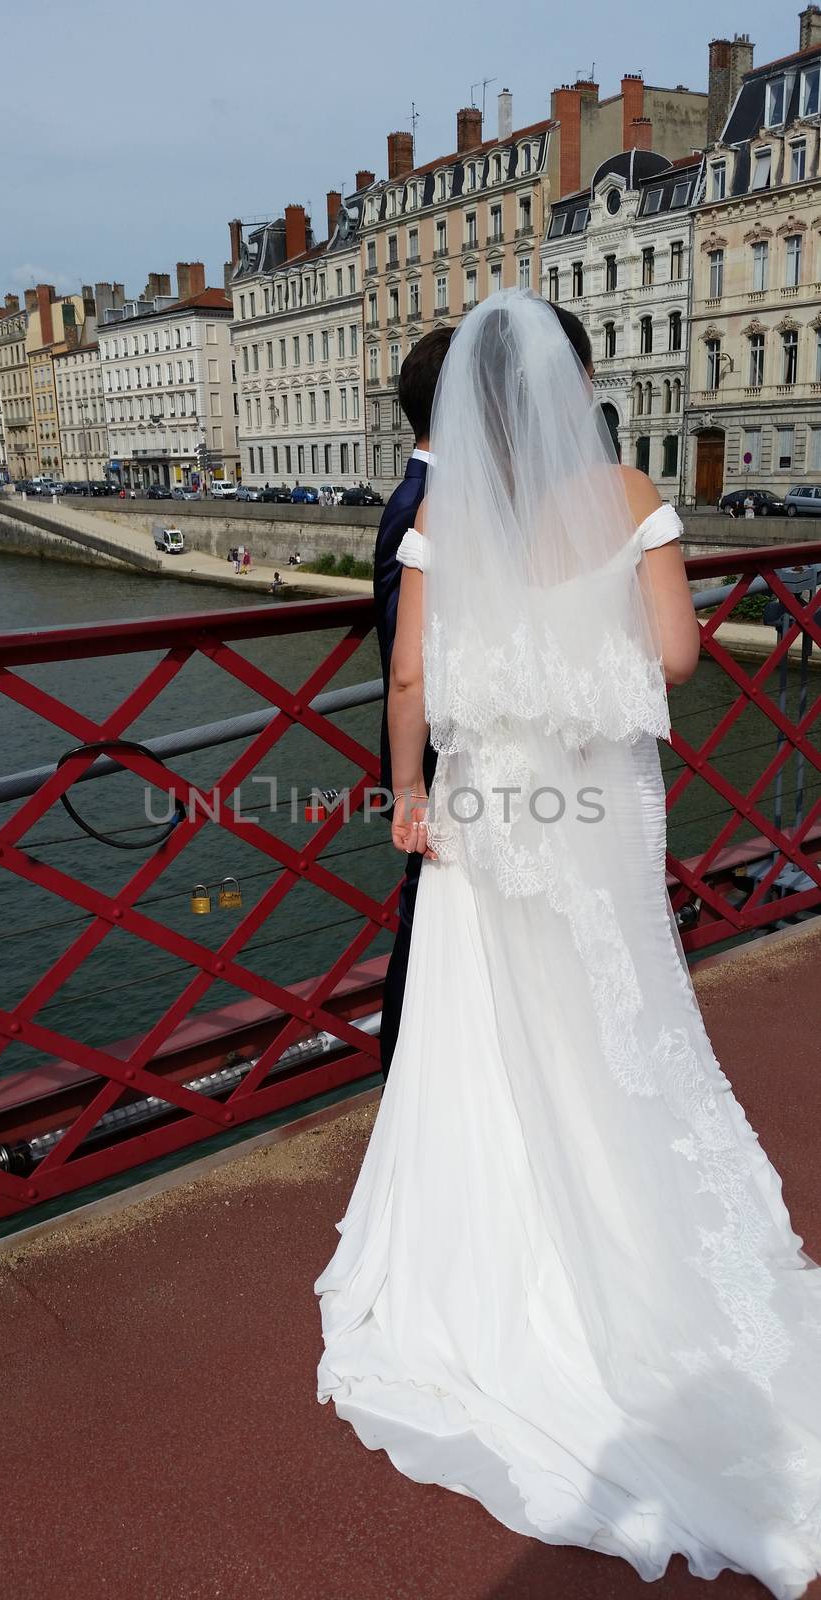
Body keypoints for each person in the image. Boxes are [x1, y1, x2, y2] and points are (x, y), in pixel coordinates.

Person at [315, 291, 821, 1596]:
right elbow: (676, 654)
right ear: (569, 384)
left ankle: (507, 1261)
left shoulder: (440, 520)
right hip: (596, 803)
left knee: (485, 1027)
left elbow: (414, 684)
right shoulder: (630, 486)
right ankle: (644, 1244)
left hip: (489, 807)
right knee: (622, 1016)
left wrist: (411, 797)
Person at [373, 326, 454, 1081]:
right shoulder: (419, 502)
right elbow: (409, 659)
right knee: (421, 915)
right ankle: (400, 1066)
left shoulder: (433, 493)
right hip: (433, 757)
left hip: (447, 749)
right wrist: (412, 785)